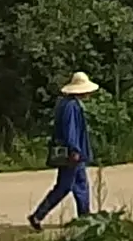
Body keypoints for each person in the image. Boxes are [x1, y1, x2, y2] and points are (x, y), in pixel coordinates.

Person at [29, 71, 100, 227]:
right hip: (72, 153)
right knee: (64, 186)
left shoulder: (66, 103)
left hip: (76, 154)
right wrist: (74, 149)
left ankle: (85, 218)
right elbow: (71, 130)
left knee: (81, 185)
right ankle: (38, 216)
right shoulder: (71, 106)